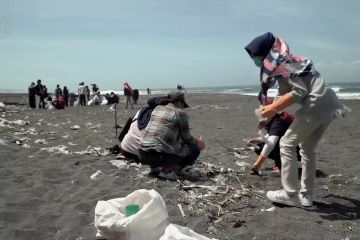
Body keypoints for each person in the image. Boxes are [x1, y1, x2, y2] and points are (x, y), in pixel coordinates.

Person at [245, 32, 349, 207]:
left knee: (286, 144)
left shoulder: (288, 62)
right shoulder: (286, 65)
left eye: (255, 56)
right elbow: (283, 94)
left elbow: (299, 92)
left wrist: (271, 108)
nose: (254, 60)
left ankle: (289, 193)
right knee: (307, 149)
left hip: (315, 104)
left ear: (266, 52)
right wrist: (269, 115)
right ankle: (306, 196)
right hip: (329, 104)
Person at [138, 90, 205, 180]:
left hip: (142, 154)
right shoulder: (180, 113)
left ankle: (155, 168)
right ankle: (168, 170)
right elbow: (186, 138)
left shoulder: (157, 108)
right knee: (194, 149)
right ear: (180, 102)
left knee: (159, 143)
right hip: (160, 156)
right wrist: (198, 142)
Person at [248, 110, 298, 174]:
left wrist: (258, 164)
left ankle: (281, 166)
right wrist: (258, 140)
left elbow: (271, 142)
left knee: (275, 143)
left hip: (296, 151)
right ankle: (284, 164)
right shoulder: (275, 118)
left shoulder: (278, 122)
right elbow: (272, 135)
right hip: (293, 148)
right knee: (259, 147)